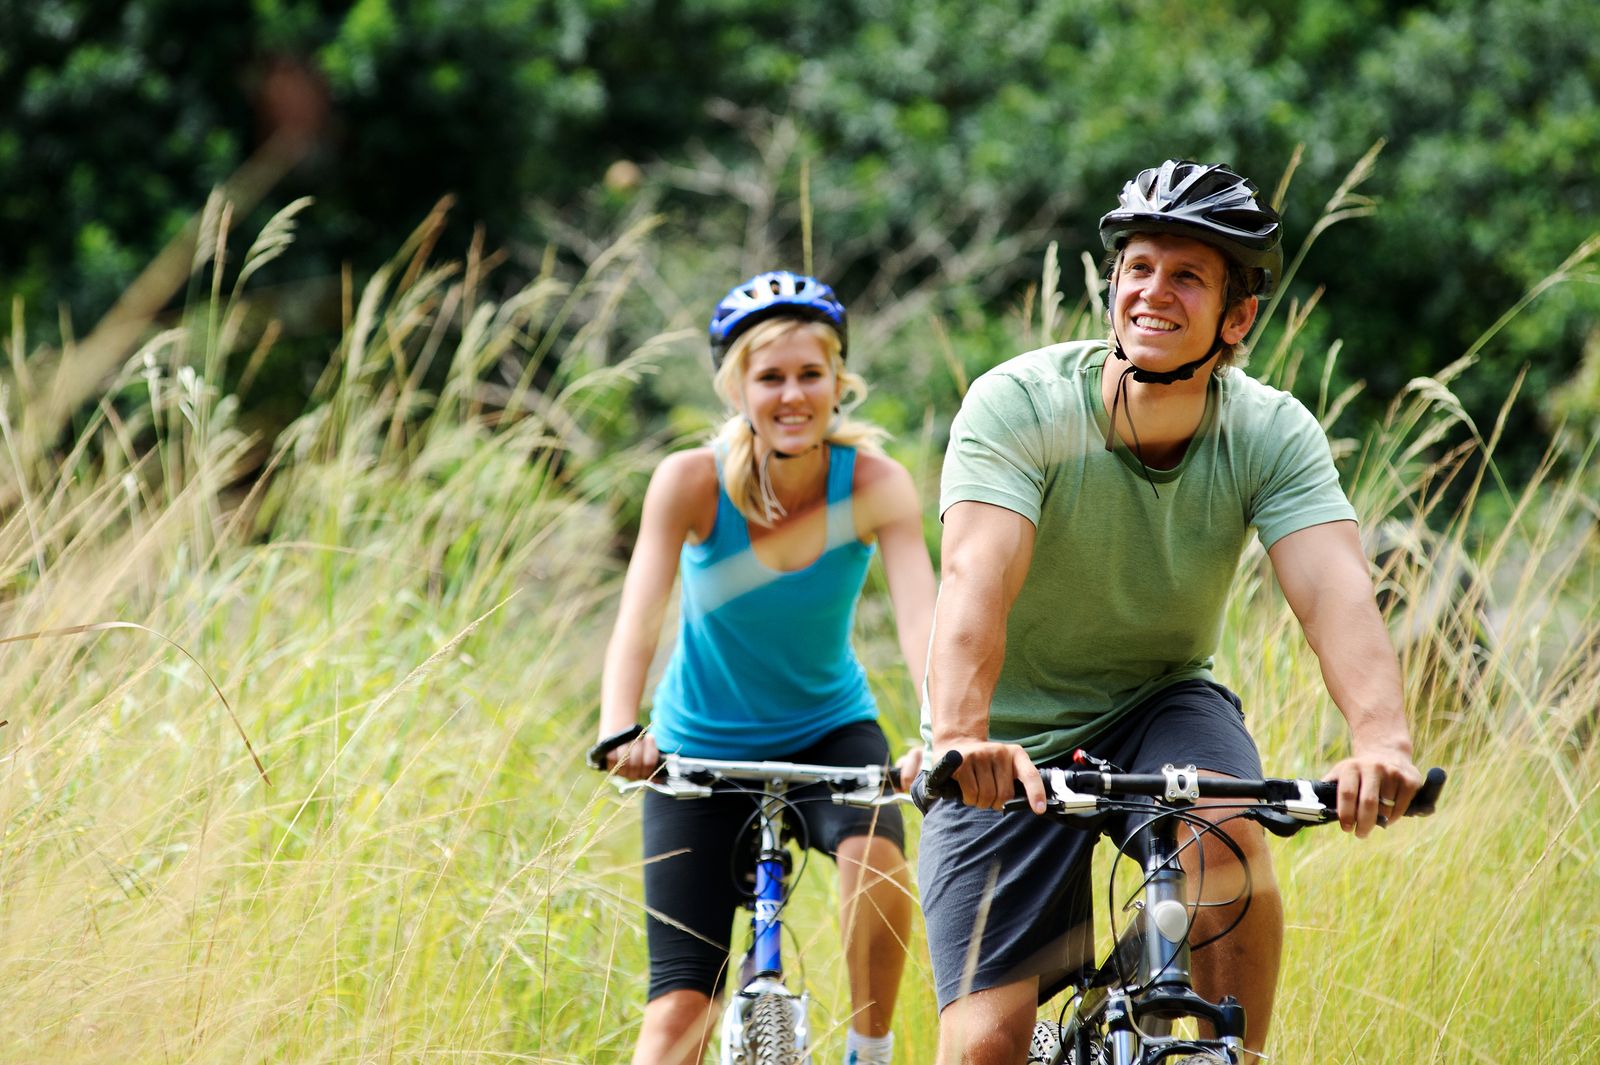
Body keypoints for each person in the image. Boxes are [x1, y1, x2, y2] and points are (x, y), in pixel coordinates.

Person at [918, 160, 1425, 1063]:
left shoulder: (1269, 431)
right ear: (1113, 284)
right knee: (983, 1044)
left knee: (1229, 825)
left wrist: (1382, 742)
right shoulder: (1022, 404)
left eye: (1187, 275)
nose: (1153, 291)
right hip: (1005, 738)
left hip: (1161, 701)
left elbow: (1334, 588)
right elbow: (974, 577)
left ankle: (1231, 1056)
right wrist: (961, 733)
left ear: (1237, 318)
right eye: (1139, 267)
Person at [596, 271, 937, 1065]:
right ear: (737, 386)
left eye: (810, 374)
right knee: (678, 1012)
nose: (793, 394)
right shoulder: (689, 481)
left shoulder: (877, 484)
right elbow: (637, 618)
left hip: (829, 732)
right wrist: (621, 727)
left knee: (878, 861)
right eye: (770, 376)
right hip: (697, 748)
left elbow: (926, 619)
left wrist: (939, 734)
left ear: (838, 381)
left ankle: (869, 1049)